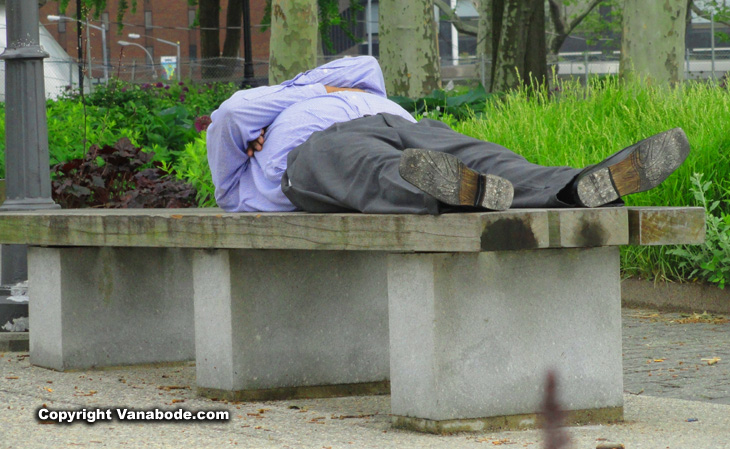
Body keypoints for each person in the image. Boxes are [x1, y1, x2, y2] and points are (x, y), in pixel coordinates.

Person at [206, 56, 689, 214]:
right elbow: (231, 112)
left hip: (407, 127)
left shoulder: (281, 109)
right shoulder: (241, 181)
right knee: (381, 175)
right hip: (319, 151)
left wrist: (305, 91)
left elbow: (366, 65)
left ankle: (578, 184)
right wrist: (321, 90)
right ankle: (458, 193)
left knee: (494, 160)